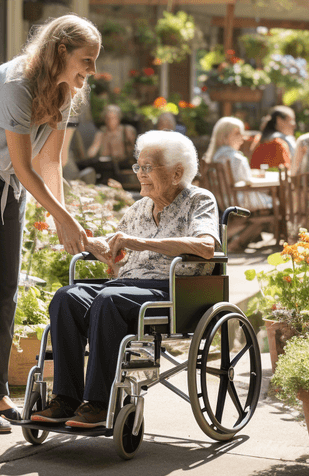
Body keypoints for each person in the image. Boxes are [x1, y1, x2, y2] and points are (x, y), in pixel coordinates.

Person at [0, 14, 101, 433]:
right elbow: (27, 166)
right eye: (87, 60)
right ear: (60, 50)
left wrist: (68, 219)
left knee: (6, 286)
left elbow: (50, 162)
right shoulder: (17, 85)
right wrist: (60, 218)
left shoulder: (67, 92)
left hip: (7, 183)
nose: (92, 71)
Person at [31, 131, 220, 427]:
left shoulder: (198, 200)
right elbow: (116, 253)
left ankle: (99, 403)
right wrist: (96, 247)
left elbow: (207, 247)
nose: (140, 174)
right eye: (138, 167)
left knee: (109, 300)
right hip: (125, 287)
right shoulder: (137, 209)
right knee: (66, 297)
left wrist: (139, 243)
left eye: (148, 167)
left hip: (171, 289)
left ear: (176, 173)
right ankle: (66, 398)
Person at [203, 116, 272, 212]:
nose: (242, 137)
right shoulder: (237, 158)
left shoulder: (214, 158)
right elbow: (247, 182)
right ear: (224, 136)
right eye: (237, 133)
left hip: (222, 202)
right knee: (275, 201)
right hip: (240, 202)